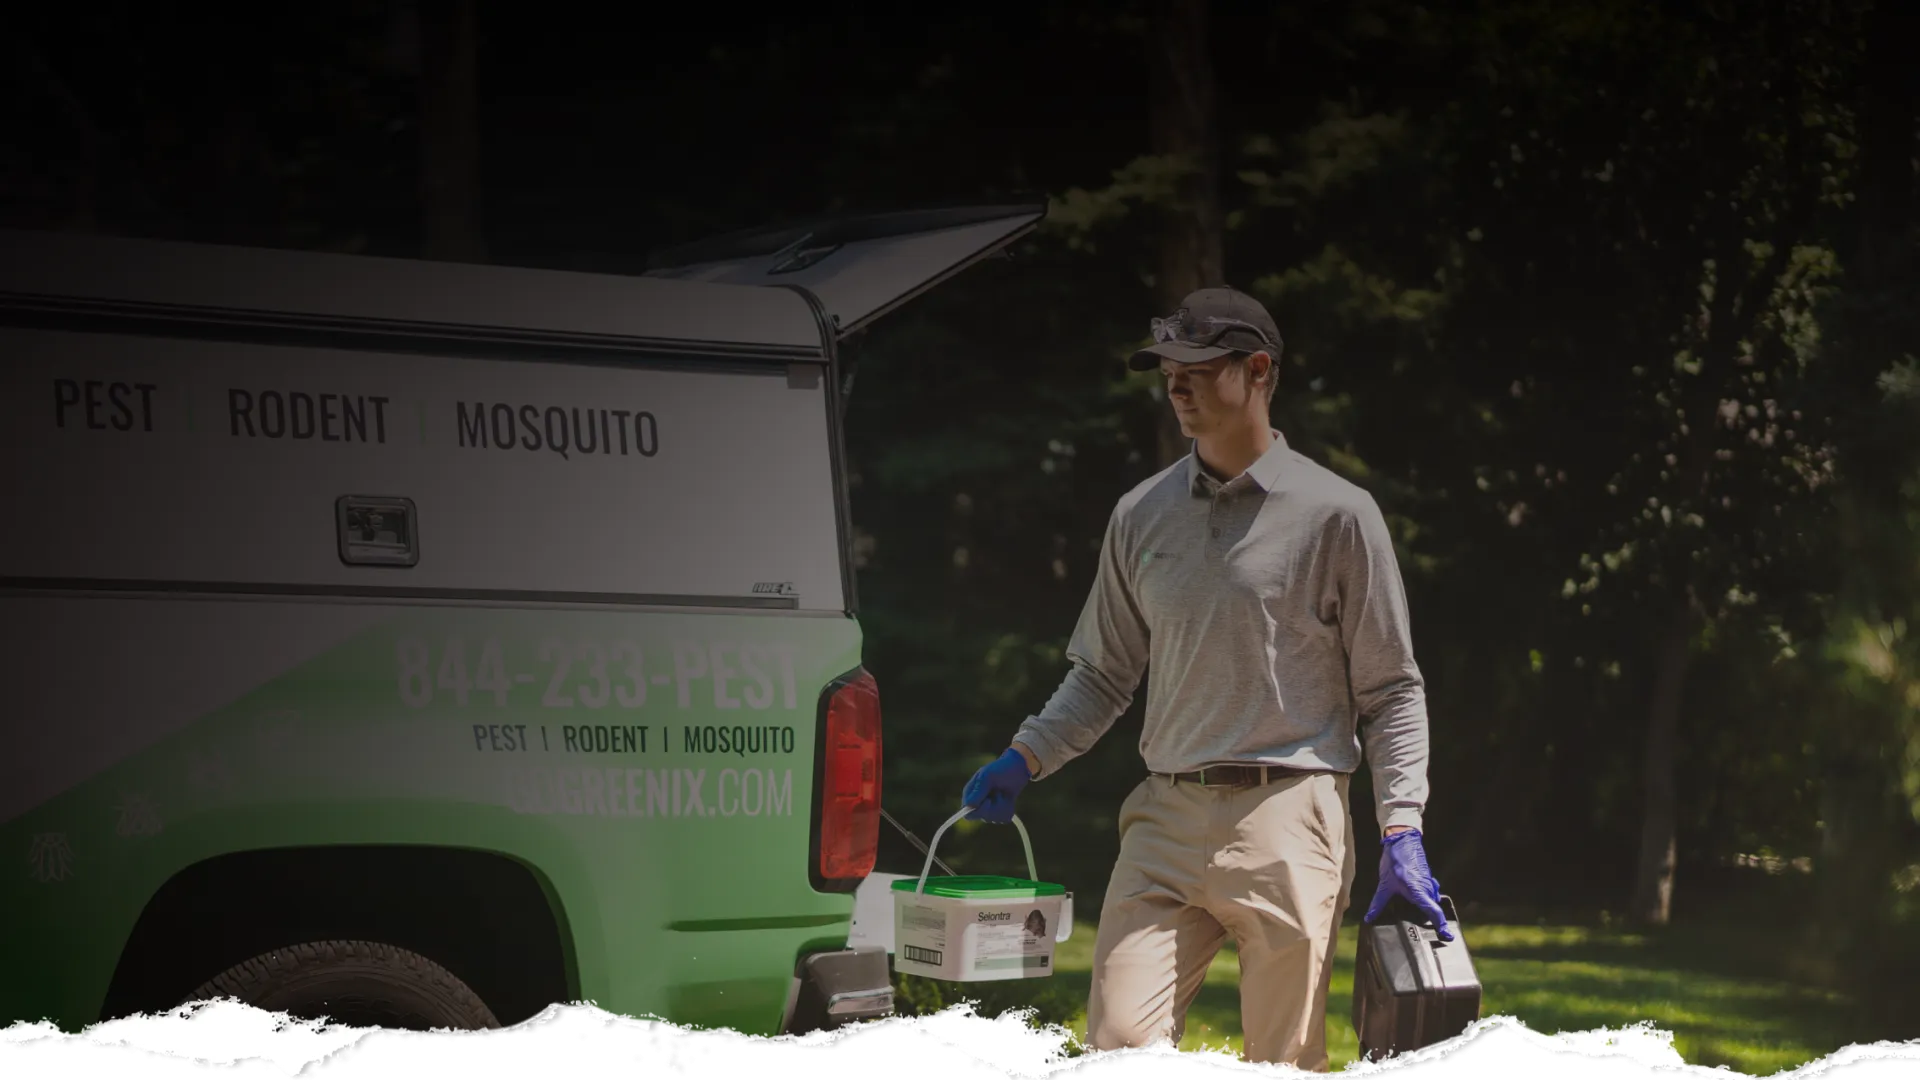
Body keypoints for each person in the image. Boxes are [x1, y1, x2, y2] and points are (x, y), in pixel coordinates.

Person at [960, 287, 1449, 1072]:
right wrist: (1026, 756)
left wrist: (1402, 828)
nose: (1175, 385)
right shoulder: (1140, 515)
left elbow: (1391, 691)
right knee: (1116, 1043)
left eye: (1195, 367)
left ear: (1259, 370)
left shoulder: (1338, 515)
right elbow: (1103, 674)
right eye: (1166, 371)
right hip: (1164, 819)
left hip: (1291, 817)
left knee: (1282, 1063)